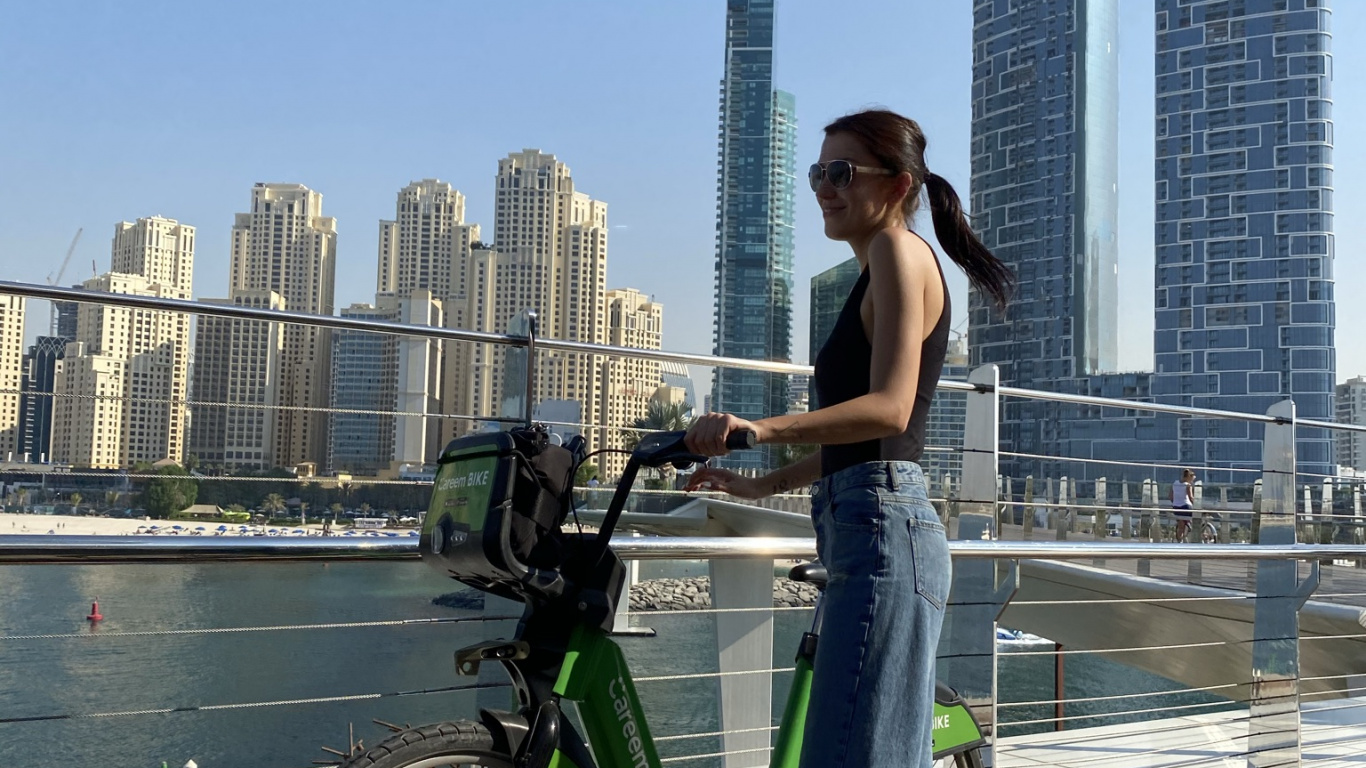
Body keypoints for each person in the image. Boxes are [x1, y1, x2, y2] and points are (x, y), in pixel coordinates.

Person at [683, 109, 1013, 768]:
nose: (823, 189)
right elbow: (862, 445)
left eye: (841, 172)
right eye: (817, 173)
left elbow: (890, 412)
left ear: (897, 184)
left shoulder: (897, 248)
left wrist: (757, 429)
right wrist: (764, 485)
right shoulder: (877, 266)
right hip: (864, 522)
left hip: (883, 530)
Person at [1172, 468, 1196, 541]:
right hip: (1186, 507)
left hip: (1176, 507)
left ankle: (1180, 540)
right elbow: (1191, 498)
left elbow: (1170, 496)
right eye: (1192, 480)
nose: (1192, 481)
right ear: (1189, 477)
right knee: (1198, 516)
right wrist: (1197, 505)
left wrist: (1176, 502)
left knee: (1181, 525)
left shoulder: (1175, 483)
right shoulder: (1188, 485)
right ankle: (1191, 526)